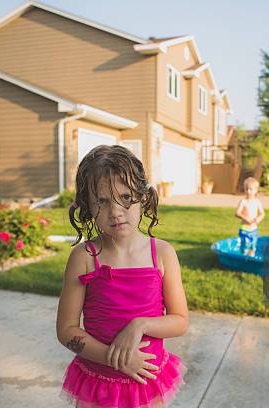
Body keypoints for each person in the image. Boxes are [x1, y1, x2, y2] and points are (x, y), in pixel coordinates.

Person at [56, 145, 188, 408]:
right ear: (87, 207)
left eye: (125, 197)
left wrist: (141, 325)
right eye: (102, 201)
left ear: (143, 197)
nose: (115, 211)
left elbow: (180, 321)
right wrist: (112, 358)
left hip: (145, 383)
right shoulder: (84, 257)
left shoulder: (162, 253)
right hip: (97, 383)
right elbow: (66, 330)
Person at [235, 177, 265, 257]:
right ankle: (243, 258)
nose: (248, 191)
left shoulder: (257, 202)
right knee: (244, 247)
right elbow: (237, 213)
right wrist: (245, 218)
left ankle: (251, 259)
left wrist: (258, 219)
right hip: (244, 229)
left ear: (255, 190)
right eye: (246, 189)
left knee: (253, 246)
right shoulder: (243, 201)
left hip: (253, 229)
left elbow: (262, 213)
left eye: (251, 189)